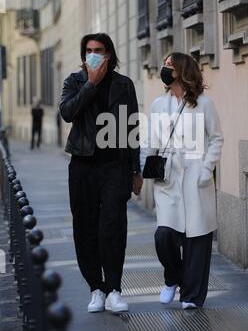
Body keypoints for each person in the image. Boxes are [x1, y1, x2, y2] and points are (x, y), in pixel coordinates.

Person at [60, 33, 143, 314]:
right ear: (84, 55)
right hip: (82, 165)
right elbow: (67, 113)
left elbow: (132, 128)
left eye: (99, 50)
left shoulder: (124, 84)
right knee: (85, 228)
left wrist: (136, 170)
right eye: (89, 50)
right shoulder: (74, 81)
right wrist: (90, 85)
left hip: (115, 167)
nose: (93, 54)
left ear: (109, 54)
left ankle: (115, 289)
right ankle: (96, 288)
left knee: (113, 226)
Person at [141, 52, 224, 309]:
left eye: (169, 65)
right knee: (164, 235)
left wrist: (206, 169)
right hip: (168, 178)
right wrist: (142, 168)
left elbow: (216, 138)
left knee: (197, 239)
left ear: (183, 70)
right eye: (164, 65)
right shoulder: (158, 105)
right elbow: (149, 142)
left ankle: (191, 296)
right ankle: (172, 277)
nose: (165, 69)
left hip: (195, 175)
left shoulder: (204, 104)